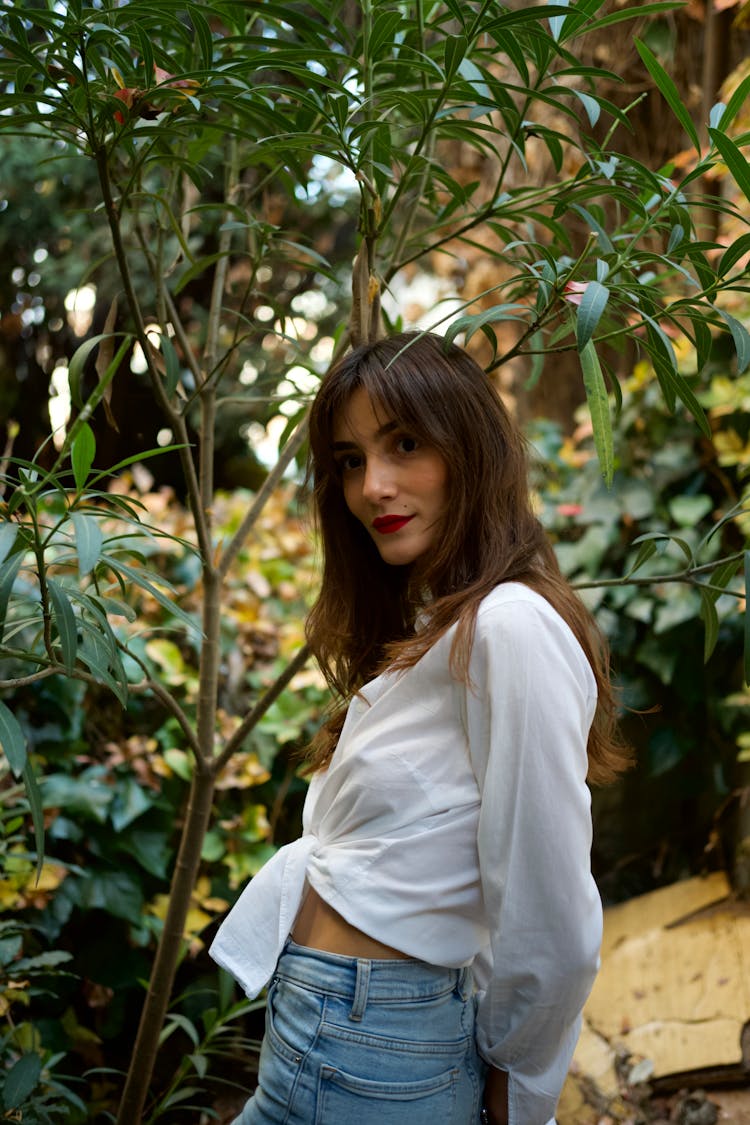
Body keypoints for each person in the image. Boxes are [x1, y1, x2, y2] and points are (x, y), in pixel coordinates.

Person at [210, 331, 630, 1125]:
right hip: (331, 1035)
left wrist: (517, 1090)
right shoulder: (441, 625)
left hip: (377, 1052)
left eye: (406, 443)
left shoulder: (511, 627)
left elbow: (551, 911)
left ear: (470, 449)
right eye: (349, 459)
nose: (374, 485)